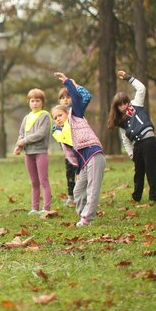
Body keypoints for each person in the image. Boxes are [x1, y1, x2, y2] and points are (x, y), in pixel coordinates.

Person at [51, 72, 104, 227]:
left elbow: (78, 98)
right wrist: (78, 168)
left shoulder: (76, 116)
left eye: (60, 115)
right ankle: (83, 215)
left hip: (94, 154)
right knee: (78, 191)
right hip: (83, 163)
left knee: (92, 189)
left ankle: (87, 219)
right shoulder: (61, 134)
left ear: (67, 113)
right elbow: (71, 153)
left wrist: (68, 82)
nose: (58, 118)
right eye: (55, 117)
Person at [108, 70, 156, 203]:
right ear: (116, 107)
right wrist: (131, 154)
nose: (123, 106)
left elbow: (141, 88)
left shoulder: (136, 105)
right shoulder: (121, 122)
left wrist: (128, 78)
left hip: (148, 140)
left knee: (151, 170)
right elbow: (125, 140)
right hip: (137, 146)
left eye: (125, 102)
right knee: (138, 173)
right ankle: (136, 197)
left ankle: (154, 198)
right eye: (120, 105)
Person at [14, 88, 53, 217]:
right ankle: (34, 208)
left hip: (40, 152)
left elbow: (40, 134)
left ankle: (46, 208)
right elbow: (21, 134)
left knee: (43, 180)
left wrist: (24, 141)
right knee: (34, 182)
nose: (35, 103)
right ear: (28, 102)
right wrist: (18, 146)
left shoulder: (45, 115)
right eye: (32, 101)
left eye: (38, 101)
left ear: (42, 102)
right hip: (28, 153)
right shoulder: (27, 117)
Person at [57, 83, 92, 207]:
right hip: (68, 153)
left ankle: (84, 196)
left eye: (68, 96)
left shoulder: (76, 111)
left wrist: (76, 86)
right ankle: (71, 196)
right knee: (69, 173)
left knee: (82, 173)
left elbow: (87, 96)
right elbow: (55, 132)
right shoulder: (57, 116)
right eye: (62, 97)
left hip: (81, 150)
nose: (65, 99)